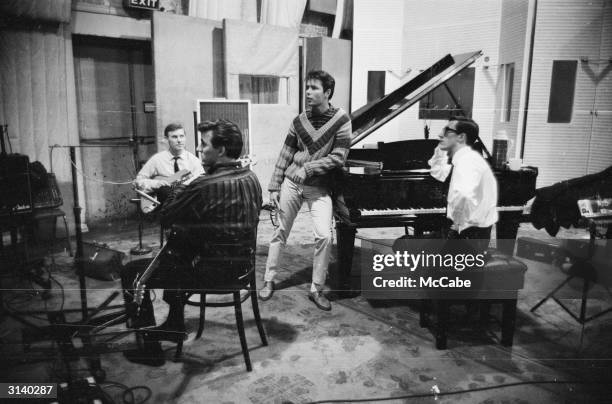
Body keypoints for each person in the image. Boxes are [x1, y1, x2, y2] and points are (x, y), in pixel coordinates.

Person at [122, 120, 262, 366]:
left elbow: (165, 217)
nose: (198, 149)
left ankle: (151, 352)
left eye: (204, 144)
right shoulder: (252, 178)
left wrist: (176, 185)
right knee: (178, 248)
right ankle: (175, 323)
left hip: (210, 273)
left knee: (132, 271)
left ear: (220, 150)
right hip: (243, 268)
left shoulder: (203, 185)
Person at [259, 70, 352, 311]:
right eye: (307, 87)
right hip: (291, 183)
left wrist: (309, 168)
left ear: (328, 92)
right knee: (280, 231)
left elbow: (339, 157)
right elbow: (286, 152)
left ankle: (317, 289)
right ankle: (268, 280)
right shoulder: (298, 120)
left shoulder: (342, 120)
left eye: (314, 88)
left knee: (324, 235)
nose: (308, 92)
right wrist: (274, 185)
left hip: (319, 187)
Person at [428, 116, 498, 246]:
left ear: (460, 137)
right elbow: (439, 172)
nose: (439, 134)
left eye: (447, 131)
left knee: (404, 244)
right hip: (468, 234)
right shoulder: (464, 158)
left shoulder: (466, 164)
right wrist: (441, 148)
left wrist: (452, 232)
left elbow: (464, 196)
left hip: (467, 239)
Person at [133, 122, 204, 202]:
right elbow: (137, 182)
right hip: (161, 205)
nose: (179, 140)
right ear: (166, 139)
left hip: (185, 204)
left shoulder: (194, 161)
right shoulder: (157, 159)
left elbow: (201, 185)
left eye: (182, 136)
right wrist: (156, 184)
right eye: (174, 137)